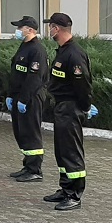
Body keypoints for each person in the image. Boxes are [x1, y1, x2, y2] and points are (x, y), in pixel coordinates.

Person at [42, 12, 98, 211]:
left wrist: (85, 107)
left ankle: (74, 195)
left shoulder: (74, 54)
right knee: (62, 150)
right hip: (61, 107)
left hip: (71, 107)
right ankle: (65, 189)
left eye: (50, 27)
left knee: (72, 151)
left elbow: (83, 85)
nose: (49, 30)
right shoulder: (63, 51)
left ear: (56, 28)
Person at [5, 16, 47, 182]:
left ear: (30, 30)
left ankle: (35, 169)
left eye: (20, 28)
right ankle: (28, 165)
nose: (17, 31)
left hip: (30, 97)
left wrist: (24, 99)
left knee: (31, 133)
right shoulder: (24, 46)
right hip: (18, 96)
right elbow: (16, 73)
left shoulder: (37, 50)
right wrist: (10, 95)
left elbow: (35, 78)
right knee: (21, 132)